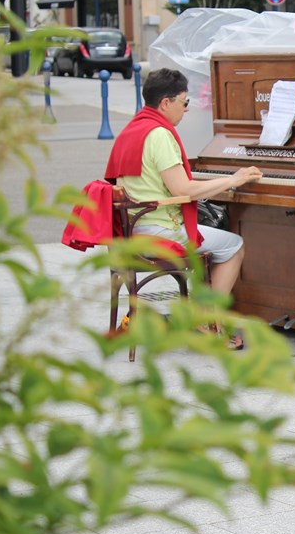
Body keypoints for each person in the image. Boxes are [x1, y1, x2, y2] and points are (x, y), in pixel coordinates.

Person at [105, 68, 262, 348]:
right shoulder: (159, 135)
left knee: (211, 236)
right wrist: (233, 179)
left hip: (133, 230)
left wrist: (217, 182)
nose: (187, 108)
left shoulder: (133, 129)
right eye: (184, 102)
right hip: (157, 231)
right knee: (234, 245)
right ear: (166, 102)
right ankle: (206, 320)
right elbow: (182, 190)